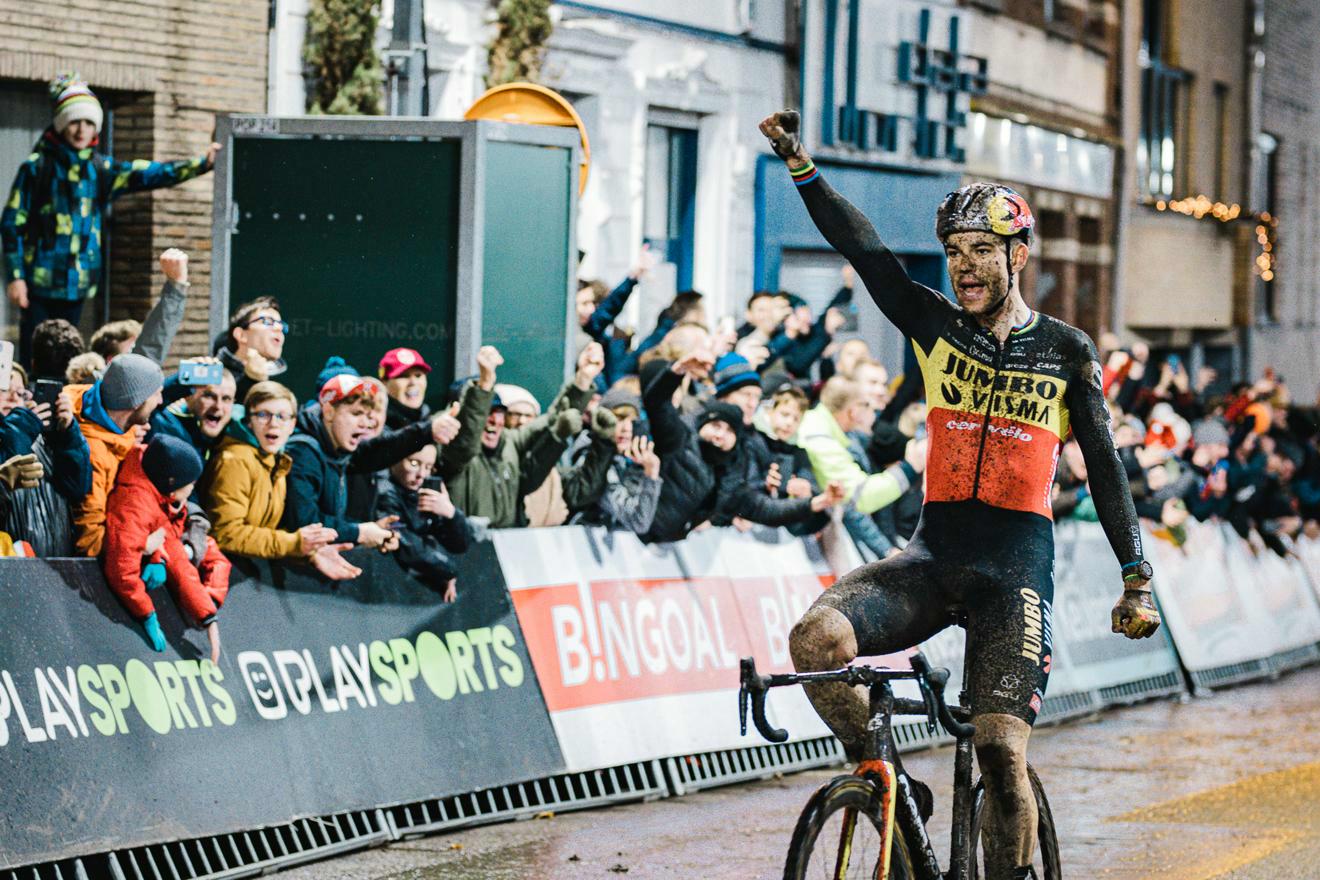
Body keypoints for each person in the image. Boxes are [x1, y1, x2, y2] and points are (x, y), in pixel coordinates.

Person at [760, 109, 1157, 880]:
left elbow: (1105, 469)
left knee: (1002, 753)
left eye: (981, 251)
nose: (964, 267)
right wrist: (800, 161)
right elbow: (866, 252)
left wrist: (1135, 576)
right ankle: (893, 794)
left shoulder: (1065, 351)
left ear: (1019, 254)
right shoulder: (936, 327)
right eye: (953, 253)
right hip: (931, 556)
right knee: (815, 641)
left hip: (1014, 573)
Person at [1, 74, 219, 365]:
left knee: (68, 355)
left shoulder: (100, 169)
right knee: (35, 354)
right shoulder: (37, 167)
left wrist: (201, 164)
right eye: (74, 122)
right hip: (39, 282)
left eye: (89, 122)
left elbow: (149, 173)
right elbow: (12, 222)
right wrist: (16, 277)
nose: (81, 130)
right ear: (61, 124)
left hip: (78, 284)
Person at [198, 382, 359, 579]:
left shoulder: (276, 461)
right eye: (263, 415)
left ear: (292, 425)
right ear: (249, 421)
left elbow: (266, 531)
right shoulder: (236, 460)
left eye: (282, 416)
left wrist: (310, 552)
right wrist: (294, 543)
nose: (273, 423)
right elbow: (227, 533)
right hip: (215, 576)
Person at [441, 345, 601, 528]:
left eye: (499, 411)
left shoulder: (510, 442)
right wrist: (484, 384)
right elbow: (467, 435)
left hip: (508, 547)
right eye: (485, 413)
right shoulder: (453, 452)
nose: (494, 420)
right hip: (467, 550)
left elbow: (553, 418)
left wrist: (583, 380)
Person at [103, 435, 229, 662]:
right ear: (171, 486)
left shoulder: (153, 488)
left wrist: (206, 615)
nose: (192, 488)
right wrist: (147, 613)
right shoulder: (136, 507)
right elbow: (122, 569)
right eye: (189, 483)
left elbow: (178, 559)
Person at [70, 353, 165, 556]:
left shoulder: (120, 429)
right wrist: (143, 544)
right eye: (156, 394)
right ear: (137, 402)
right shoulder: (94, 455)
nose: (161, 401)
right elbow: (90, 541)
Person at [0, 370, 91, 557]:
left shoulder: (42, 436)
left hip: (55, 564)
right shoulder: (23, 428)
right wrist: (20, 426)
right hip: (11, 567)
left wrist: (67, 434)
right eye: (3, 390)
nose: (12, 398)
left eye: (19, 392)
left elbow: (78, 489)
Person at [375, 444, 470, 599]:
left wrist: (451, 514)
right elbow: (406, 542)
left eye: (428, 467)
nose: (421, 474)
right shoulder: (384, 493)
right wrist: (449, 570)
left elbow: (461, 544)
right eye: (414, 463)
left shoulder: (421, 492)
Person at [570, 386, 663, 534]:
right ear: (602, 420)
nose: (627, 428)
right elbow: (638, 521)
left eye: (632, 421)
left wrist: (637, 469)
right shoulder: (590, 458)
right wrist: (651, 475)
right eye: (619, 418)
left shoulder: (619, 459)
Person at [215, 296, 288, 403]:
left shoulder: (283, 379)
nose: (278, 328)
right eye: (267, 321)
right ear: (240, 335)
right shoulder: (214, 376)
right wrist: (251, 381)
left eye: (281, 324)